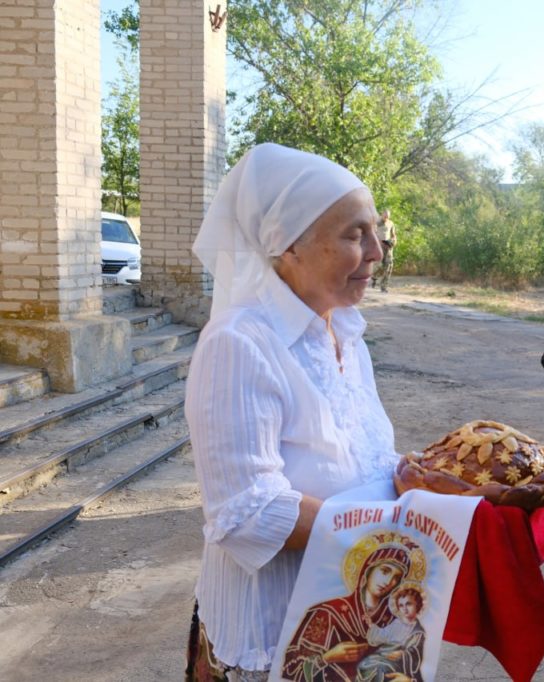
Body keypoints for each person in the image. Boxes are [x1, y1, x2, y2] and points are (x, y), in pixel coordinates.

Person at [184, 143, 398, 681]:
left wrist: (423, 477)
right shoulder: (240, 343)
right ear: (289, 245)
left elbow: (364, 457)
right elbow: (247, 512)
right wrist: (395, 526)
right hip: (274, 635)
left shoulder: (344, 332)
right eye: (355, 234)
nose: (377, 251)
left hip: (347, 625)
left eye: (376, 232)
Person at [281, 540, 418, 681]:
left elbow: (410, 665)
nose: (389, 581)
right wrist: (327, 658)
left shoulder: (394, 622)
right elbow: (291, 669)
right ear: (368, 570)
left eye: (397, 577)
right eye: (385, 571)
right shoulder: (327, 612)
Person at [356, 583, 427, 682]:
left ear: (417, 605)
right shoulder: (397, 623)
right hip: (384, 654)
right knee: (364, 665)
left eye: (408, 604)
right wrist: (371, 625)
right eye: (401, 605)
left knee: (381, 669)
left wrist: (402, 654)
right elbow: (384, 635)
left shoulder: (418, 632)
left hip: (400, 662)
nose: (404, 609)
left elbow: (416, 654)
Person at [371, 209, 397, 292]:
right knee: (378, 265)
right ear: (382, 214)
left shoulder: (390, 223)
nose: (386, 218)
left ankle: (384, 286)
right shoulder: (376, 223)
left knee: (389, 266)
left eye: (388, 217)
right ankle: (374, 277)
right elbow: (372, 234)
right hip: (379, 246)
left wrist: (394, 241)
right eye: (385, 216)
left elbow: (393, 235)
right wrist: (379, 242)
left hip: (388, 247)